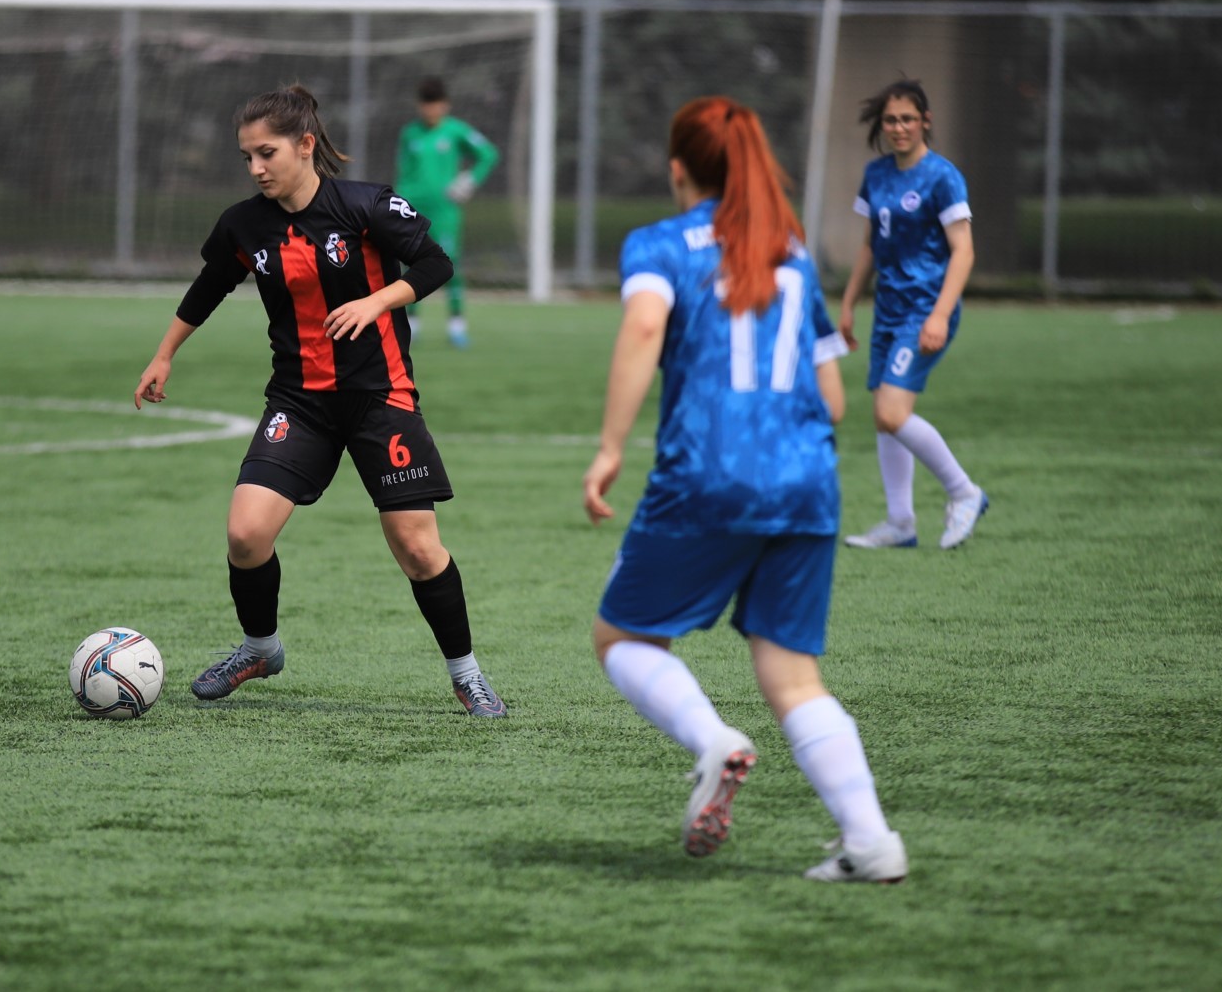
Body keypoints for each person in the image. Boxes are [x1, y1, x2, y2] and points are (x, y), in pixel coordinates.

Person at [581, 96, 906, 882]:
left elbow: (643, 329)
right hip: (806, 478)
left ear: (677, 167)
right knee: (793, 675)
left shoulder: (658, 244)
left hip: (708, 471)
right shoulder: (786, 245)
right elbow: (832, 398)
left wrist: (609, 447)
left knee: (621, 637)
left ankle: (712, 741)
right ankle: (871, 844)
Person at [133, 84, 506, 717]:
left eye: (267, 153)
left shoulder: (365, 206)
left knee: (416, 547)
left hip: (380, 397)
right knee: (246, 534)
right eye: (246, 157)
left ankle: (466, 674)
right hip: (299, 402)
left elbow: (435, 263)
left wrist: (377, 300)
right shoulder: (243, 224)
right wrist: (165, 353)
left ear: (306, 146)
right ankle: (260, 648)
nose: (256, 168)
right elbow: (209, 286)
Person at [837, 79, 988, 551]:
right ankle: (901, 522)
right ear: (880, 126)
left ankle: (965, 492)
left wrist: (940, 316)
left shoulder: (942, 177)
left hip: (925, 310)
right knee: (885, 416)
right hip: (888, 311)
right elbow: (869, 247)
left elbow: (963, 252)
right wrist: (847, 303)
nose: (898, 127)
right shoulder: (877, 174)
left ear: (925, 122)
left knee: (890, 410)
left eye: (907, 118)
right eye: (890, 120)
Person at [393, 77, 499, 349]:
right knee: (410, 264)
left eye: (436, 105)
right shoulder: (410, 133)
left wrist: (469, 180)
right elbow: (404, 172)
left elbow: (488, 154)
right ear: (420, 106)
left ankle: (456, 326)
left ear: (445, 105)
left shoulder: (455, 131)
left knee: (450, 264)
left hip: (445, 210)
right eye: (426, 105)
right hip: (414, 208)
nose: (431, 111)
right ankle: (411, 326)